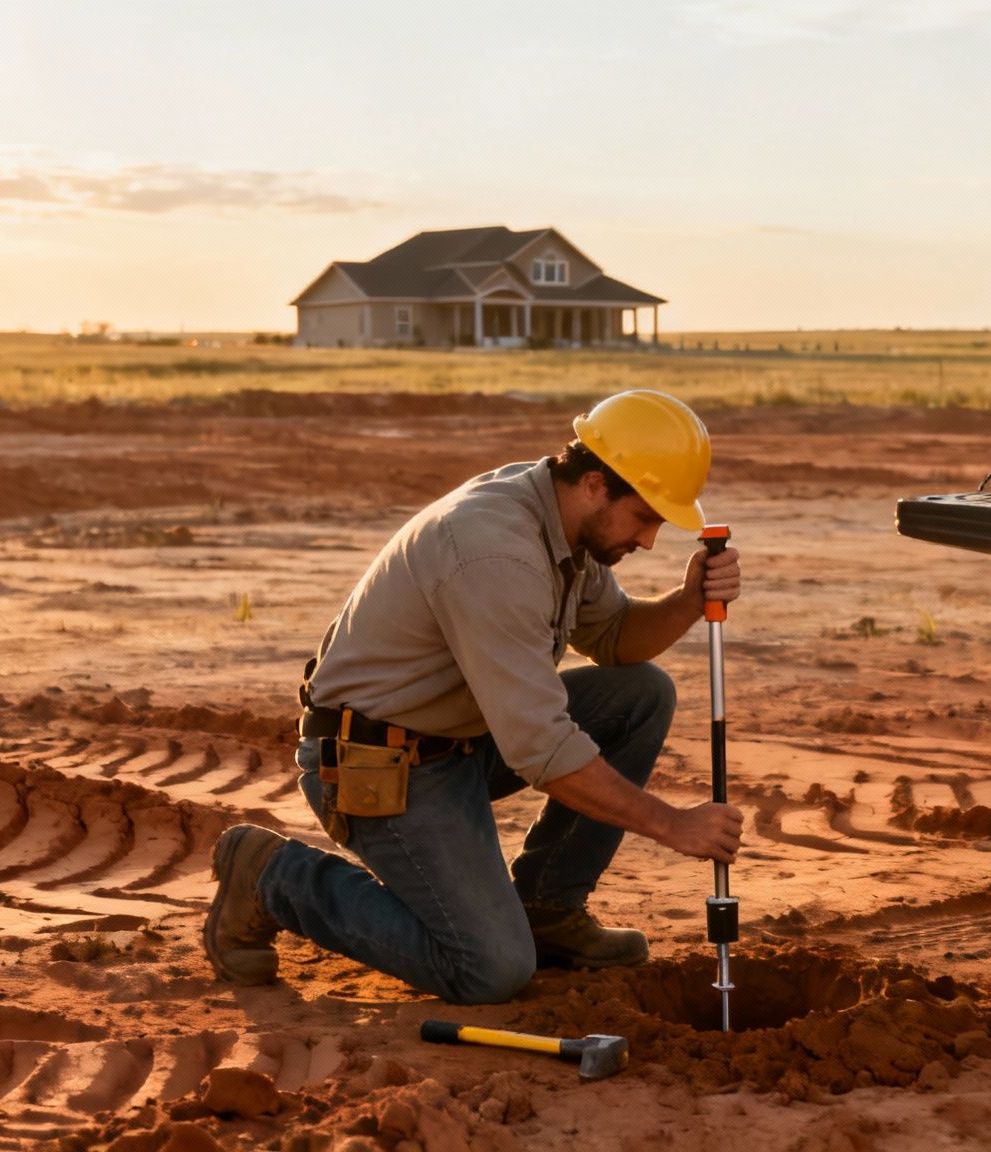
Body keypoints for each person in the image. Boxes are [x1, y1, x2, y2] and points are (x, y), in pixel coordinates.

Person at [202, 389, 744, 1003]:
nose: (648, 541)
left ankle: (548, 910)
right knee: (489, 969)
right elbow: (541, 748)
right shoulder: (494, 551)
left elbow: (616, 638)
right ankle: (272, 874)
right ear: (596, 483)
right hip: (374, 768)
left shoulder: (562, 524)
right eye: (645, 517)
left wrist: (688, 599)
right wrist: (673, 825)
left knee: (639, 694)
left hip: (455, 744)